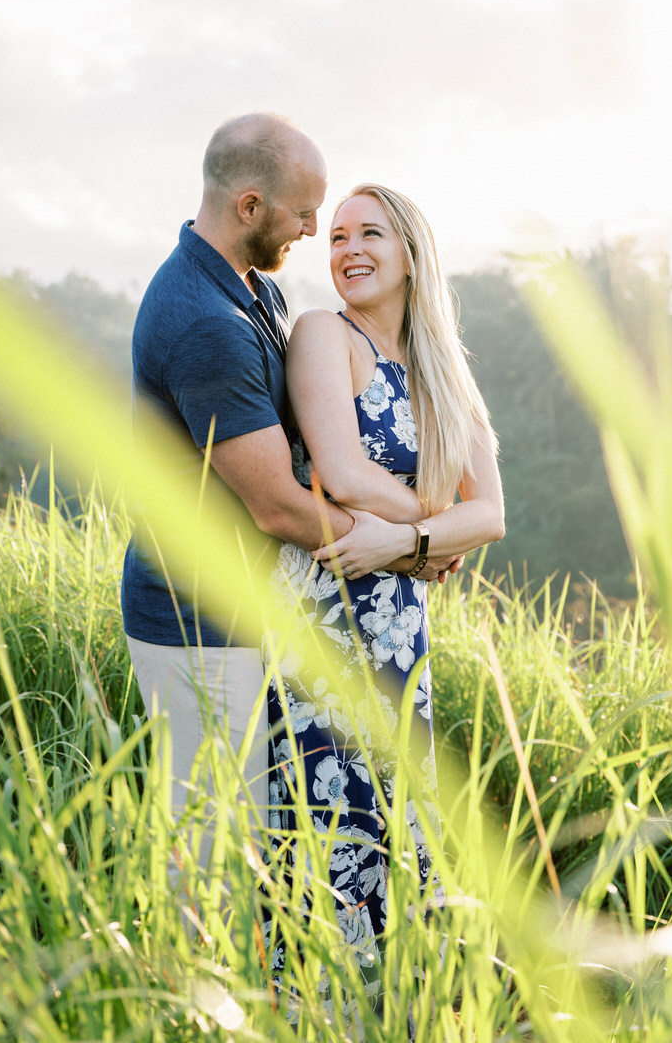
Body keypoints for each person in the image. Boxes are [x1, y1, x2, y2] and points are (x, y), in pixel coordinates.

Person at [120, 116, 453, 869]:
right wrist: (414, 548)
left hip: (251, 603)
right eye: (305, 213)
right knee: (212, 848)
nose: (313, 230)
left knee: (265, 834)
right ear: (248, 206)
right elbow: (276, 503)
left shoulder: (252, 292)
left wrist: (419, 535)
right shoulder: (205, 322)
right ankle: (190, 985)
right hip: (197, 618)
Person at [266, 183, 505, 1001]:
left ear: (411, 253)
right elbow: (341, 470)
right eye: (335, 237)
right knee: (327, 822)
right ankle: (309, 1008)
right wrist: (437, 536)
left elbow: (495, 513)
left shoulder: (444, 371)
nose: (348, 250)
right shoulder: (321, 335)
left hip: (402, 629)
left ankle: (391, 1007)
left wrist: (405, 542)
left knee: (401, 825)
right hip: (323, 616)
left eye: (369, 233)